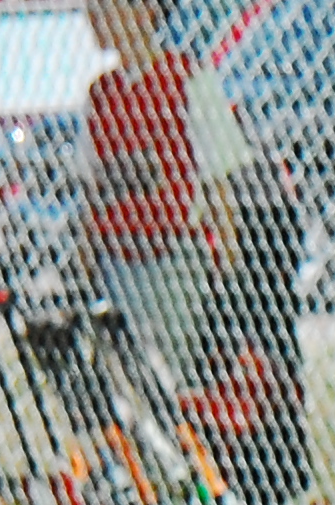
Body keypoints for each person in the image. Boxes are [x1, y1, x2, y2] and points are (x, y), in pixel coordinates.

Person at [83, 0, 238, 393]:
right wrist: (87, 261)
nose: (95, 20)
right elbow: (91, 187)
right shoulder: (101, 93)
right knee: (126, 379)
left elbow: (217, 179)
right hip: (118, 257)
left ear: (146, 11)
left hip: (173, 254)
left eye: (107, 9)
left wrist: (228, 260)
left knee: (173, 376)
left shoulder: (188, 78)